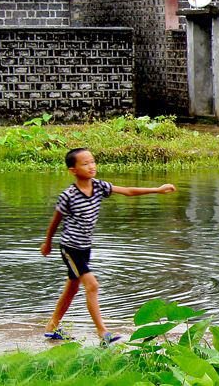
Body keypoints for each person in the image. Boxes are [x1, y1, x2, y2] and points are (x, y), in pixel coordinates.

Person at [40, 148, 176, 346]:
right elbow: (55, 220)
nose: (91, 166)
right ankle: (103, 333)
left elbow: (127, 191)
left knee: (72, 289)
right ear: (73, 170)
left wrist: (157, 189)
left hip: (85, 248)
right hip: (70, 248)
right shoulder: (68, 195)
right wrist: (48, 242)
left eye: (92, 161)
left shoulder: (99, 187)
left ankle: (52, 328)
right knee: (92, 285)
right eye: (85, 163)